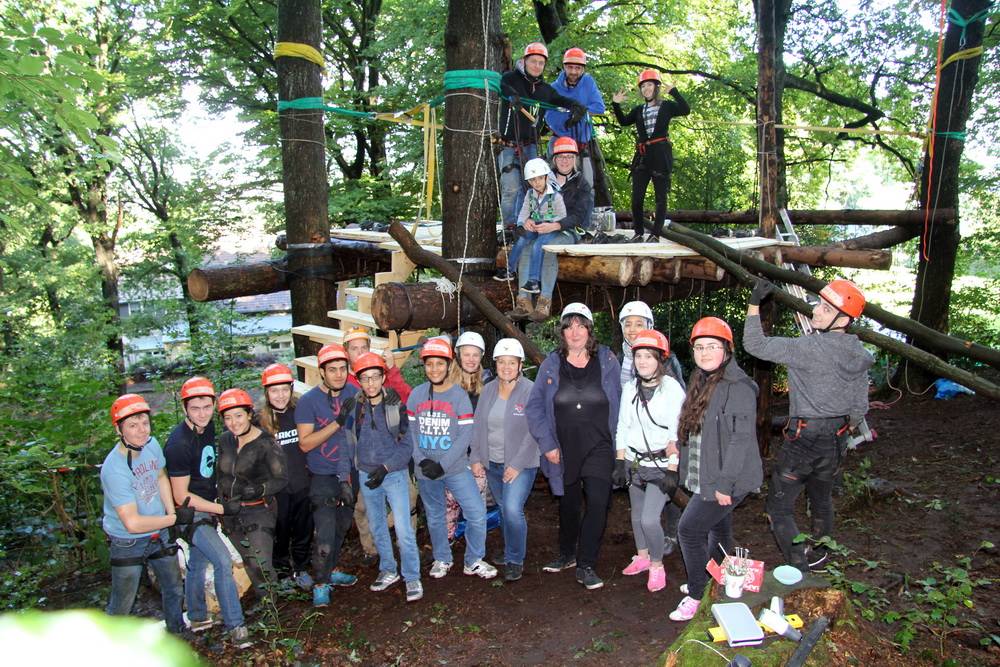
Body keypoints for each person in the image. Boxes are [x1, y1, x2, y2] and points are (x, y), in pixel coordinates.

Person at [744, 278, 874, 572]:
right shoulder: (858, 354)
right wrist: (847, 428)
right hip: (837, 438)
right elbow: (859, 407)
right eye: (820, 305)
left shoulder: (807, 348)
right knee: (821, 497)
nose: (816, 311)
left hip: (804, 438)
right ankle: (823, 553)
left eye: (826, 310)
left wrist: (754, 304)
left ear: (842, 320)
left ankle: (800, 561)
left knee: (778, 507)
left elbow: (754, 344)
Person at [669, 317, 762, 622]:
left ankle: (696, 594)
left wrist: (724, 484)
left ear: (727, 350)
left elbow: (740, 439)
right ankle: (715, 581)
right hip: (705, 473)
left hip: (725, 478)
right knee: (719, 527)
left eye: (713, 346)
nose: (705, 352)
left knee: (689, 529)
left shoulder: (738, 387)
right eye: (699, 347)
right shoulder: (702, 379)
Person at [527, 303, 622, 590]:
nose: (575, 331)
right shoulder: (551, 363)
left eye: (581, 325)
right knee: (568, 504)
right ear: (563, 332)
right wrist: (547, 444)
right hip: (563, 446)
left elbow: (621, 398)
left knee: (597, 501)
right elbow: (534, 408)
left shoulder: (607, 359)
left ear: (590, 330)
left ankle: (586, 564)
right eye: (569, 326)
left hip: (600, 444)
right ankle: (567, 554)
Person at [163, 377, 249, 646]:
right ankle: (237, 626)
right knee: (223, 561)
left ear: (213, 405)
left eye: (207, 406)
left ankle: (198, 615)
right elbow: (181, 495)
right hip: (190, 513)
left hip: (207, 506)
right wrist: (221, 508)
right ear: (185, 408)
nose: (202, 413)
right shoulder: (179, 443)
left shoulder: (207, 428)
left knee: (198, 562)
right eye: (195, 408)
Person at [407, 338, 498, 581]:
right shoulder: (416, 396)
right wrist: (421, 460)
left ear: (448, 365)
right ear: (424, 366)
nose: (434, 369)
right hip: (425, 469)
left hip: (456, 467)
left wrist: (443, 464)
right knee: (436, 515)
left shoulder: (458, 396)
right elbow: (411, 433)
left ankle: (473, 559)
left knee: (476, 511)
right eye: (429, 364)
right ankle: (442, 558)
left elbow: (465, 434)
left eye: (440, 364)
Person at [102, 394, 192, 636]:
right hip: (127, 541)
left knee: (173, 587)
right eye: (132, 425)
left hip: (159, 531)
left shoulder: (150, 444)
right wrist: (173, 519)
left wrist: (170, 511)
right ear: (119, 430)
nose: (141, 431)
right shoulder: (114, 469)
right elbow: (132, 523)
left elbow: (161, 475)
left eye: (144, 423)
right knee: (123, 601)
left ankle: (176, 631)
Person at [613, 330, 686, 593]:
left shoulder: (672, 389)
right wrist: (620, 461)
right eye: (638, 356)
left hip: (660, 464)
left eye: (649, 356)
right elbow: (622, 425)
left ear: (660, 360)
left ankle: (657, 565)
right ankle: (642, 556)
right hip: (634, 461)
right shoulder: (630, 388)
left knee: (649, 519)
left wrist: (673, 468)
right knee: (635, 516)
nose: (642, 361)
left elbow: (676, 432)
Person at [348, 352, 423, 603]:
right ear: (358, 380)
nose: (371, 383)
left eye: (375, 377)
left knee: (403, 528)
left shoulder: (395, 405)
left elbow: (407, 444)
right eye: (365, 378)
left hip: (394, 474)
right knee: (377, 524)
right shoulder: (354, 407)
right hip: (366, 474)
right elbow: (346, 441)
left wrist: (387, 468)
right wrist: (344, 476)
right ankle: (388, 569)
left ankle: (412, 575)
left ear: (383, 378)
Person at [295, 343, 362, 607]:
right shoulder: (308, 401)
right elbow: (305, 443)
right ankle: (320, 582)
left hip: (349, 472)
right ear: (321, 372)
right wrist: (337, 423)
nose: (338, 374)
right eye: (332, 370)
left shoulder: (354, 392)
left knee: (342, 526)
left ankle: (331, 570)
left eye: (342, 369)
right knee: (324, 529)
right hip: (322, 474)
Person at [343, 327, 414, 566]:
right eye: (355, 349)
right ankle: (373, 551)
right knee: (364, 509)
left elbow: (405, 399)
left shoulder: (376, 374)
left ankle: (405, 549)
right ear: (347, 353)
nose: (360, 352)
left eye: (364, 347)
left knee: (407, 504)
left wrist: (392, 370)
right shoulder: (348, 382)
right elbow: (347, 431)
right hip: (363, 462)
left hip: (392, 461)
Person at [470, 338, 540, 582]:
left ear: (520, 365)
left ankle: (515, 558)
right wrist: (476, 457)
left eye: (512, 362)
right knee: (502, 508)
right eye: (502, 362)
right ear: (496, 364)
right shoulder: (488, 389)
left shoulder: (530, 390)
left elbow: (534, 432)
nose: (507, 367)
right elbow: (478, 425)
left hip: (522, 464)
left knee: (512, 509)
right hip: (493, 463)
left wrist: (517, 465)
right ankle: (510, 548)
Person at [498, 42, 587, 231]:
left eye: (541, 63)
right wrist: (512, 95)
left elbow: (560, 100)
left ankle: (525, 224)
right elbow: (502, 85)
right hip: (509, 144)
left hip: (530, 144)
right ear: (525, 61)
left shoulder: (544, 90)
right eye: (533, 61)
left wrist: (577, 107)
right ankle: (509, 228)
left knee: (531, 187)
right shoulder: (510, 79)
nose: (537, 66)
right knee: (511, 188)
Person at [215, 388, 288, 607]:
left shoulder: (266, 443)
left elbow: (282, 479)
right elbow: (221, 475)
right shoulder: (225, 440)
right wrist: (219, 507)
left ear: (249, 414)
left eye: (238, 415)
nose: (233, 422)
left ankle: (272, 607)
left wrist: (259, 489)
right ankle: (263, 601)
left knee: (261, 563)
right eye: (228, 417)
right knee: (248, 560)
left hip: (258, 510)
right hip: (230, 511)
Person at [509, 138, 594, 323]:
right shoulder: (540, 177)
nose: (565, 161)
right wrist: (527, 221)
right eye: (561, 157)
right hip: (541, 229)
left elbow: (579, 216)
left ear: (575, 159)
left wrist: (556, 225)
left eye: (569, 157)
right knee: (525, 248)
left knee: (548, 248)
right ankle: (524, 302)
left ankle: (544, 302)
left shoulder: (581, 184)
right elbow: (526, 202)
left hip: (567, 230)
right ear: (554, 160)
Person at [612, 70, 690, 242]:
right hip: (642, 156)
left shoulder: (667, 106)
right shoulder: (639, 109)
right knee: (636, 198)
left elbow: (686, 110)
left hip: (661, 154)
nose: (646, 89)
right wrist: (616, 105)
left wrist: (674, 92)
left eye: (649, 85)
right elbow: (624, 121)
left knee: (661, 197)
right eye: (643, 86)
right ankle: (638, 232)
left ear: (656, 87)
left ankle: (656, 234)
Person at [258, 364, 313, 589]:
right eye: (274, 390)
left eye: (284, 389)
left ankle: (301, 568)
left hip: (301, 482)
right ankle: (281, 573)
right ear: (266, 393)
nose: (280, 395)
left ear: (291, 389)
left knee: (303, 529)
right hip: (276, 490)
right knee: (280, 531)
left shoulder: (300, 412)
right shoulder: (259, 422)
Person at [494, 157, 566, 296]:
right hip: (536, 226)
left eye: (539, 178)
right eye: (533, 180)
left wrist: (550, 224)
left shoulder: (555, 196)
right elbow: (523, 213)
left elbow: (562, 216)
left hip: (552, 228)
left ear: (546, 177)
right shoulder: (530, 195)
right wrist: (524, 223)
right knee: (522, 240)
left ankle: (533, 280)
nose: (536, 183)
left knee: (538, 245)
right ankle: (510, 269)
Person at [545, 47, 606, 189]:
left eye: (577, 68)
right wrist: (568, 117)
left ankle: (587, 209)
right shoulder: (554, 88)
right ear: (564, 67)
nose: (573, 72)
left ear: (583, 69)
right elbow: (548, 116)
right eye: (570, 67)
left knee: (587, 182)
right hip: (559, 139)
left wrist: (581, 112)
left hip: (582, 141)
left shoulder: (588, 84)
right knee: (554, 182)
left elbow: (599, 107)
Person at [448, 331, 494, 410]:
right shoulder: (446, 383)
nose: (471, 359)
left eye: (475, 355)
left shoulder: (489, 384)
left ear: (481, 357)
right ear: (459, 356)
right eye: (466, 355)